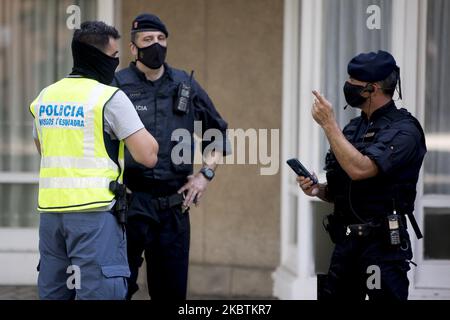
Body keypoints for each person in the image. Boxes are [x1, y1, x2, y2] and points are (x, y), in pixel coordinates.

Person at [29, 21, 158, 300]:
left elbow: (43, 147)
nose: (116, 63)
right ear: (97, 57)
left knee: (55, 292)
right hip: (95, 215)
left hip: (52, 216)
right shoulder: (108, 98)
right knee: (101, 292)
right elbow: (147, 155)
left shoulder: (45, 96)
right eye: (114, 57)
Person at [112, 13, 230, 300]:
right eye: (148, 40)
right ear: (133, 48)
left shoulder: (184, 85)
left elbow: (218, 134)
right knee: (117, 289)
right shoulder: (116, 84)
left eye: (161, 39)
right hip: (129, 205)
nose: (156, 45)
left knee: (171, 293)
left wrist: (205, 175)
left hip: (173, 209)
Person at [298, 50, 426, 300]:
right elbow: (343, 190)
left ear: (373, 89)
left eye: (353, 85)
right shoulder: (353, 128)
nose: (348, 88)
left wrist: (328, 125)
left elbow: (361, 169)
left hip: (382, 248)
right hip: (346, 244)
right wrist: (318, 190)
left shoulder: (405, 130)